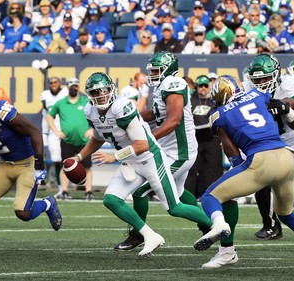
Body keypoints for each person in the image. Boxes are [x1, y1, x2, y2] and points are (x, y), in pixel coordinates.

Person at [71, 72, 212, 257]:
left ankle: (215, 226)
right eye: (95, 92)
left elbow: (142, 144)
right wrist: (79, 157)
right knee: (111, 199)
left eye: (103, 90)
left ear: (111, 89)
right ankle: (149, 235)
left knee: (174, 207)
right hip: (131, 161)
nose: (100, 96)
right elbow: (97, 138)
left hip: (150, 159)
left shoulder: (122, 107)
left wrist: (114, 157)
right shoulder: (90, 111)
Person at [194, 75, 294, 265]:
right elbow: (289, 102)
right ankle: (226, 250)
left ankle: (220, 226)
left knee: (211, 196)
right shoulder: (258, 95)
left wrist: (239, 170)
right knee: (286, 214)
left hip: (261, 162)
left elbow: (231, 150)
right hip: (286, 158)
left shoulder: (218, 114)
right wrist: (287, 110)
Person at [113, 52, 213, 251]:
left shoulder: (173, 84)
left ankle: (138, 234)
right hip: (170, 149)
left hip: (179, 152)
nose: (153, 74)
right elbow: (156, 114)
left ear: (168, 69)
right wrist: (131, 117)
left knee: (141, 192)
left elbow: (174, 119)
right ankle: (207, 224)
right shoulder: (161, 87)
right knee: (180, 192)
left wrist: (149, 138)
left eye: (157, 70)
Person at [0, 82, 62, 249]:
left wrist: (39, 163)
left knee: (22, 212)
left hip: (27, 163)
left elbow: (34, 131)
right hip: (5, 163)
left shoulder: (2, 112)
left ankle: (48, 203)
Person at [243, 53, 294, 240]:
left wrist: (286, 108)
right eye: (258, 79)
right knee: (260, 179)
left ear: (276, 74)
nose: (262, 83)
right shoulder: (246, 88)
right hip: (268, 146)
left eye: (266, 78)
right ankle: (270, 225)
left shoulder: (290, 84)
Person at [45, 77, 94, 201]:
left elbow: (97, 115)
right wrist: (56, 131)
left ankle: (88, 192)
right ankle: (64, 191)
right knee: (65, 166)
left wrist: (92, 129)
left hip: (84, 141)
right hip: (67, 140)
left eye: (76, 86)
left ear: (78, 87)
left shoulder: (85, 101)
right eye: (71, 86)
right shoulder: (61, 102)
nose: (74, 88)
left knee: (87, 167)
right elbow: (49, 116)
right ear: (67, 87)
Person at [185, 75, 223, 200]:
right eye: (200, 86)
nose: (203, 88)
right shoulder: (190, 99)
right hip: (195, 138)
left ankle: (212, 194)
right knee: (192, 167)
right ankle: (189, 195)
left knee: (212, 167)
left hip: (212, 137)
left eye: (205, 86)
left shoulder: (214, 99)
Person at [40, 77, 68, 197]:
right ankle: (61, 189)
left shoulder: (66, 92)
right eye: (50, 83)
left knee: (69, 160)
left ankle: (68, 187)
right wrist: (45, 133)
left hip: (66, 130)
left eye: (55, 82)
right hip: (53, 131)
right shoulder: (45, 95)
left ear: (60, 83)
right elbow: (46, 116)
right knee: (57, 160)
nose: (53, 84)